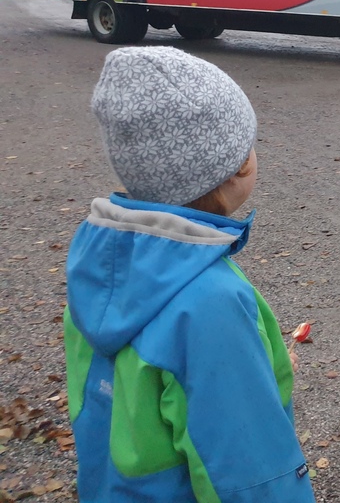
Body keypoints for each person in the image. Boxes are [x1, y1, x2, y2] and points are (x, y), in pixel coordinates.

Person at [64, 47, 316, 503]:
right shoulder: (210, 302)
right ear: (238, 166)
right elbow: (248, 475)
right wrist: (243, 366)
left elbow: (133, 390)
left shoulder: (99, 270)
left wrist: (253, 363)